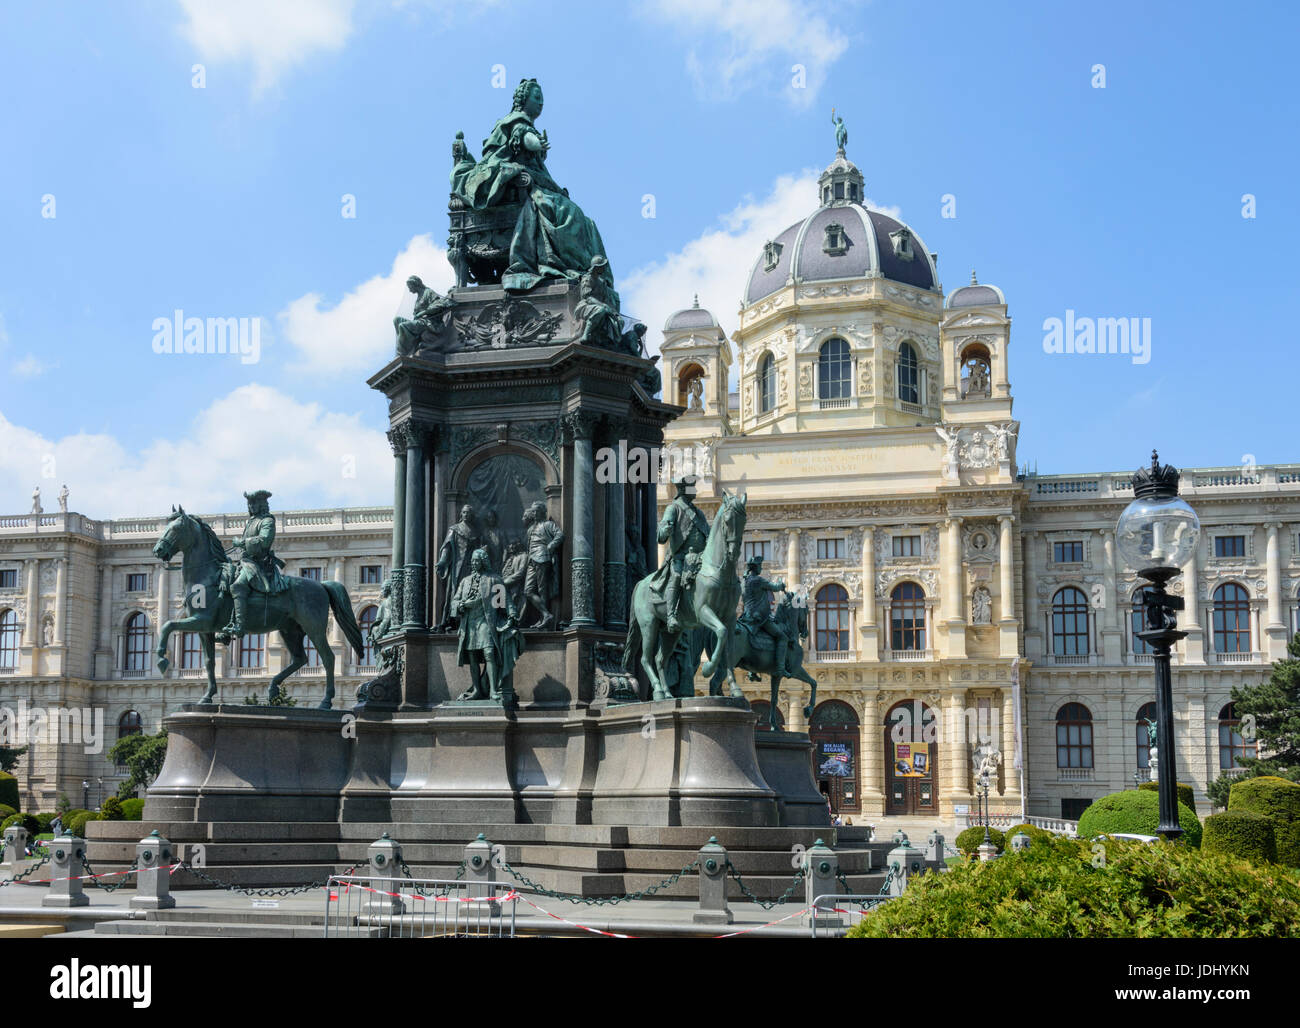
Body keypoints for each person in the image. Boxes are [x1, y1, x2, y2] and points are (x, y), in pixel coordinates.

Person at [218, 490, 288, 641]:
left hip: (258, 564)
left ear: (262, 504)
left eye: (254, 503)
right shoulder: (251, 521)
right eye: (249, 503)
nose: (251, 506)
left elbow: (264, 540)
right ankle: (228, 624)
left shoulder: (267, 521)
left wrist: (241, 542)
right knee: (224, 580)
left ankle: (240, 626)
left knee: (237, 586)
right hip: (245, 562)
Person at [656, 477, 709, 632]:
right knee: (677, 576)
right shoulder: (673, 509)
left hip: (699, 558)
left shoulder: (699, 513)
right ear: (683, 490)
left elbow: (708, 533)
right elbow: (661, 535)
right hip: (680, 557)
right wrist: (665, 531)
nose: (695, 491)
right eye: (692, 488)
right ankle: (671, 615)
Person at [739, 554, 791, 675]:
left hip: (746, 617)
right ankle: (780, 668)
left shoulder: (744, 582)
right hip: (759, 617)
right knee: (782, 637)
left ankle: (752, 671)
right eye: (760, 566)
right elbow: (774, 587)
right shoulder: (758, 580)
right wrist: (782, 584)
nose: (761, 569)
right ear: (755, 568)